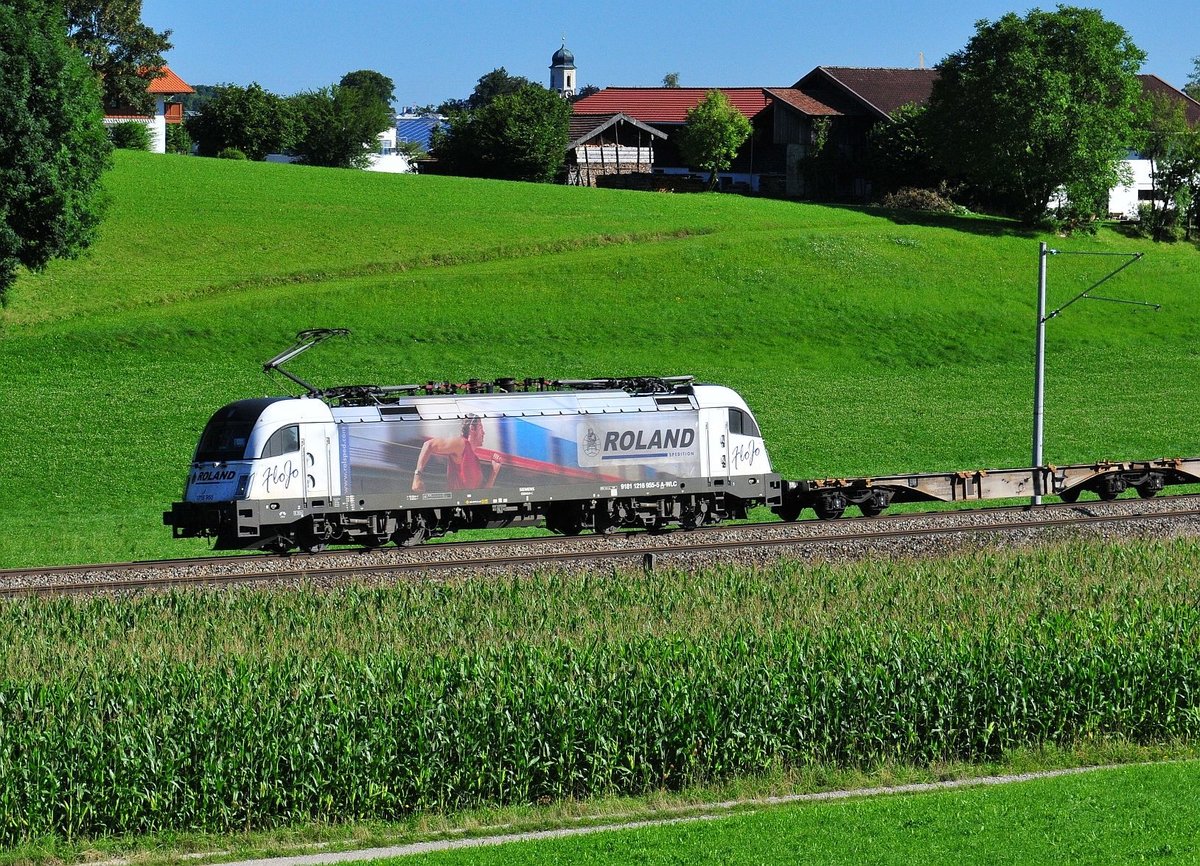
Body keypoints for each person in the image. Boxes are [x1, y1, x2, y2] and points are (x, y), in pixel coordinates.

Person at [411, 415, 502, 492]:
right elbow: (428, 445)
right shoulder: (461, 444)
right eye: (481, 428)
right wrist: (417, 477)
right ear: (472, 429)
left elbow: (483, 494)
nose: (484, 433)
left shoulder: (476, 460)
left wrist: (494, 472)